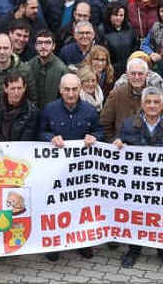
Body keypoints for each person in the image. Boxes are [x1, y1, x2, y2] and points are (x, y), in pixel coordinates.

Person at [114, 86, 163, 271]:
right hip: (136, 185)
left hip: (161, 185)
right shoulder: (128, 124)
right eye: (148, 102)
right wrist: (117, 143)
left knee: (162, 217)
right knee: (136, 216)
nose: (152, 105)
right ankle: (134, 250)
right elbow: (119, 143)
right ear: (142, 104)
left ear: (162, 105)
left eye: (156, 102)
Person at [39, 73, 103, 261]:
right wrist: (49, 138)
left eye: (74, 89)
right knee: (57, 208)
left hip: (81, 172)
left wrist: (95, 138)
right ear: (60, 90)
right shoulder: (49, 110)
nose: (71, 93)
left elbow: (99, 130)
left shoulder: (90, 111)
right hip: (56, 171)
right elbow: (40, 131)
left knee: (81, 208)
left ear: (80, 89)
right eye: (66, 89)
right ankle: (55, 244)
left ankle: (83, 243)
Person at [100, 57, 151, 142]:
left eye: (140, 74)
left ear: (147, 74)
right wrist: (113, 141)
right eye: (133, 74)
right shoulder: (116, 94)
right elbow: (104, 124)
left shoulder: (155, 95)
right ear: (127, 74)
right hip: (122, 148)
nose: (137, 77)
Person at [0, 71, 39, 143]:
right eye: (12, 89)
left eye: (19, 88)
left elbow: (26, 140)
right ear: (5, 89)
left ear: (24, 88)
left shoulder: (32, 112)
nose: (16, 93)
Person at [29, 30, 68, 110]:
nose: (43, 46)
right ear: (35, 46)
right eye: (40, 43)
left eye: (47, 43)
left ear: (53, 46)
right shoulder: (29, 66)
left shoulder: (62, 69)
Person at [98, 2, 139, 78]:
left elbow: (135, 47)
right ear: (109, 15)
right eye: (115, 15)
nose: (118, 18)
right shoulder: (102, 30)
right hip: (111, 71)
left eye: (121, 15)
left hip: (128, 68)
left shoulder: (129, 27)